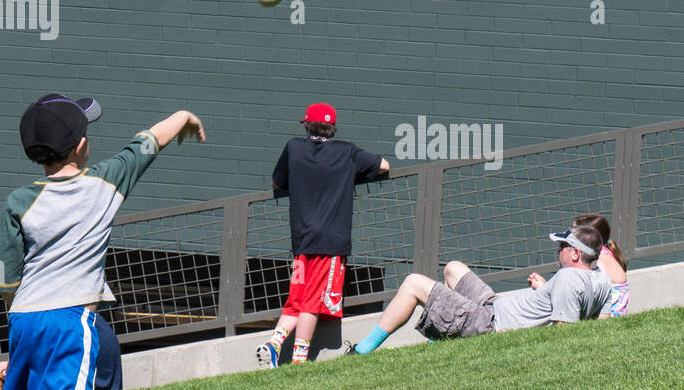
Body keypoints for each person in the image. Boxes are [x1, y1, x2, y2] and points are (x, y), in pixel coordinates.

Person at [0, 94, 206, 390]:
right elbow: (149, 142)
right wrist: (182, 116)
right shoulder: (105, 182)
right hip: (70, 320)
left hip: (24, 318)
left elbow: (5, 281)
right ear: (81, 146)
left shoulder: (17, 201)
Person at [255, 103, 389, 368]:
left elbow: (276, 182)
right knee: (312, 304)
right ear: (333, 127)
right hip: (329, 243)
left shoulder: (294, 148)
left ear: (307, 125)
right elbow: (383, 165)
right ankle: (299, 361)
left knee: (297, 300)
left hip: (301, 244)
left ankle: (274, 344)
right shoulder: (347, 152)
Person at [345, 226, 612, 354]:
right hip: (493, 305)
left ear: (576, 253)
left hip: (488, 324)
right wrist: (544, 292)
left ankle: (360, 352)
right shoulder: (601, 279)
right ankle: (439, 344)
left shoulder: (568, 279)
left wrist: (513, 338)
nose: (558, 252)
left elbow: (562, 339)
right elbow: (600, 327)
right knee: (452, 268)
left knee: (414, 282)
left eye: (562, 247)